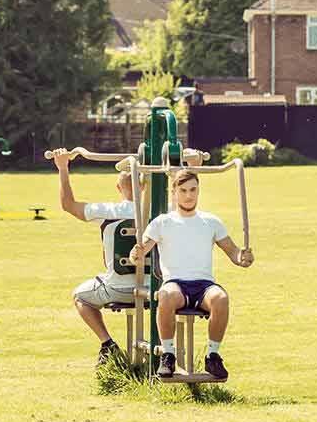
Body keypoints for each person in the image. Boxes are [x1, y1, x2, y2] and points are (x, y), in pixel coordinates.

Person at [52, 147, 205, 366]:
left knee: (80, 296)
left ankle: (108, 344)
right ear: (143, 185)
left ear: (118, 187)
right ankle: (169, 355)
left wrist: (63, 168)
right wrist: (194, 165)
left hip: (117, 289)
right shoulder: (163, 211)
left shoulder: (107, 211)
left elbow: (68, 205)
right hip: (157, 288)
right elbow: (188, 199)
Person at [130, 170, 253, 379]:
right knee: (166, 295)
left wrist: (243, 257)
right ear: (174, 192)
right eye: (184, 190)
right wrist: (137, 254)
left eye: (193, 190)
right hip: (176, 284)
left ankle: (213, 357)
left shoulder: (211, 221)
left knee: (221, 298)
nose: (189, 195)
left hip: (204, 285)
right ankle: (168, 356)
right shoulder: (162, 222)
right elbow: (141, 253)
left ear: (198, 191)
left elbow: (233, 252)